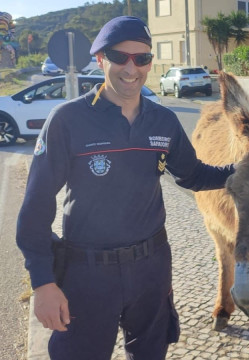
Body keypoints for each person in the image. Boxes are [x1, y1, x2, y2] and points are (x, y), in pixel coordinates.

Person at [16, 16, 234, 360]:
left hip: (152, 269)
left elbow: (192, 174)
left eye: (142, 58)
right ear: (101, 59)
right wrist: (43, 283)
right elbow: (35, 210)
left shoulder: (163, 121)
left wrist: (245, 171)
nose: (132, 68)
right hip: (87, 273)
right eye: (120, 57)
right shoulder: (67, 120)